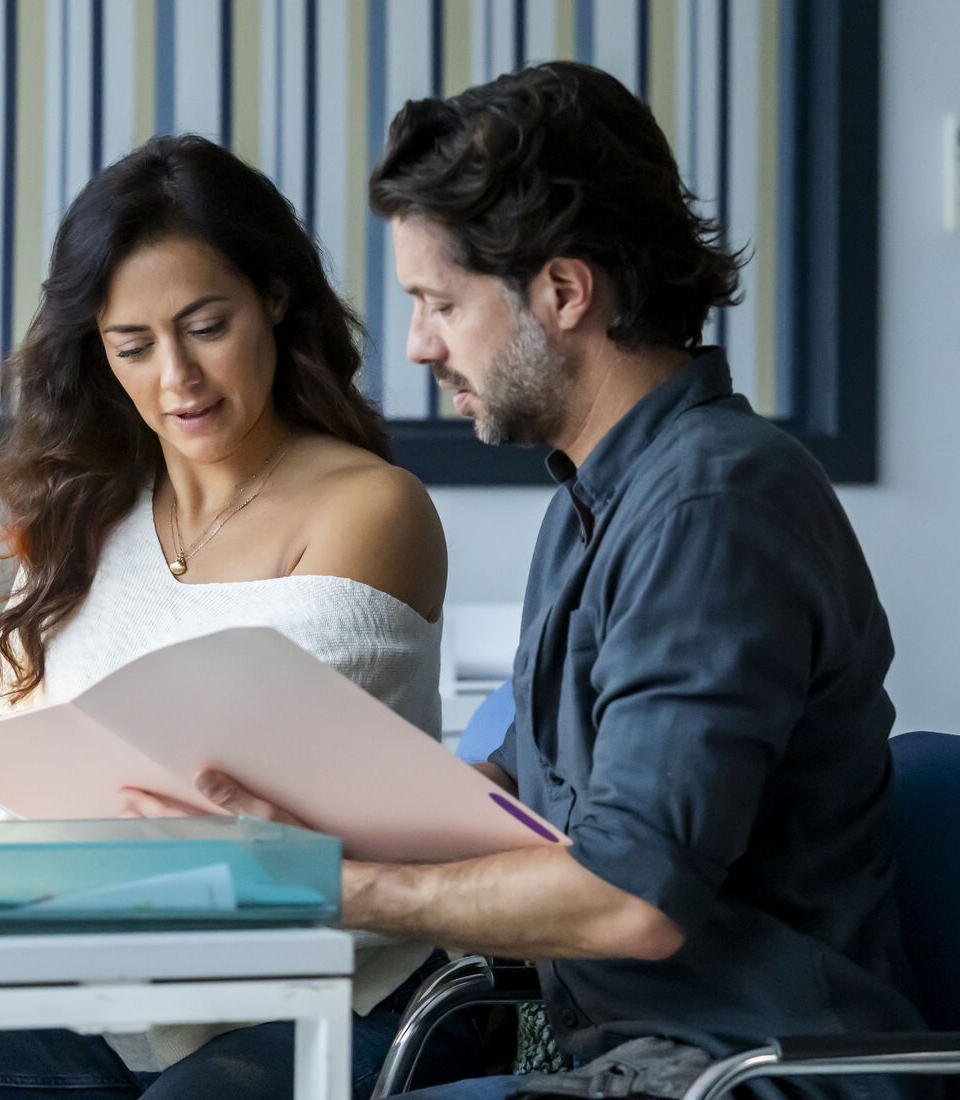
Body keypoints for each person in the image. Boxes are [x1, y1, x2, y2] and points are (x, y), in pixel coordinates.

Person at [184, 62, 928, 1099]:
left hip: (744, 1074)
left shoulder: (712, 507)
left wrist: (349, 891)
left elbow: (631, 896)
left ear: (564, 292)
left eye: (440, 303)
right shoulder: (597, 502)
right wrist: (298, 826)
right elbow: (521, 805)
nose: (417, 343)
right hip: (636, 1063)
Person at [0, 134, 477, 1098]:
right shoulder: (83, 512)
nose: (178, 379)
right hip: (99, 1003)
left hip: (319, 1001)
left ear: (274, 299)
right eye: (134, 346)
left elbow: (196, 816)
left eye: (206, 326)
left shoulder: (368, 509)